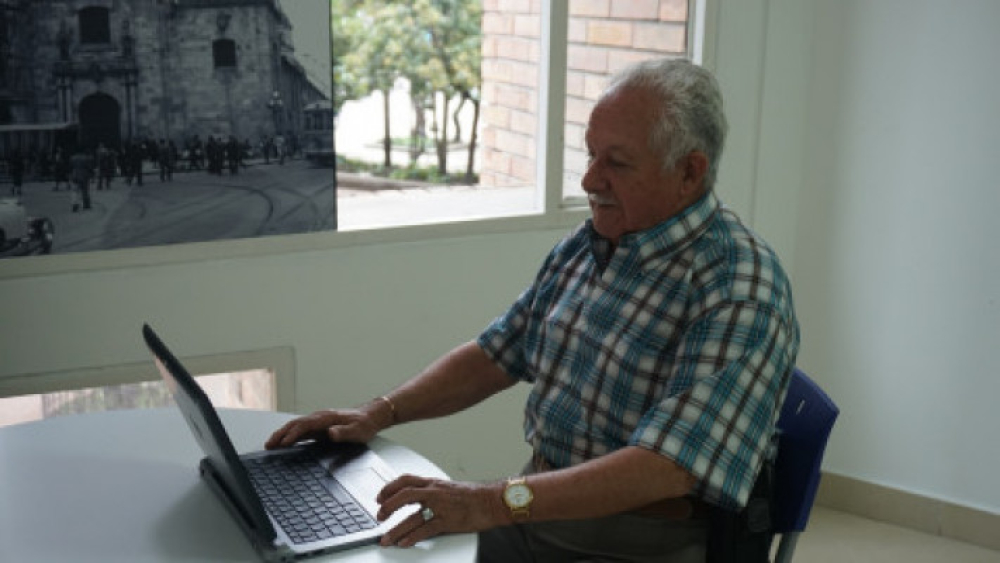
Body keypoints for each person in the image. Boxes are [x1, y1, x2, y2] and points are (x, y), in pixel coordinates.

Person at [266, 58, 800, 562]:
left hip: (641, 542)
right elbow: (497, 353)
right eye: (590, 155)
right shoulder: (595, 241)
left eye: (616, 163)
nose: (590, 180)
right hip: (538, 507)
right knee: (362, 551)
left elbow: (667, 466)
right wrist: (378, 412)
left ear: (689, 172)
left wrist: (490, 503)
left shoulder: (738, 286)